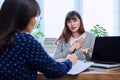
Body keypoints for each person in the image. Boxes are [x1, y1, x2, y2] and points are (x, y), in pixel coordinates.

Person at [0, 0, 78, 80]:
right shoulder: (25, 40)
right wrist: (69, 61)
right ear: (23, 17)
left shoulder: (5, 38)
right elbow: (54, 71)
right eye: (34, 16)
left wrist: (54, 62)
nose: (35, 21)